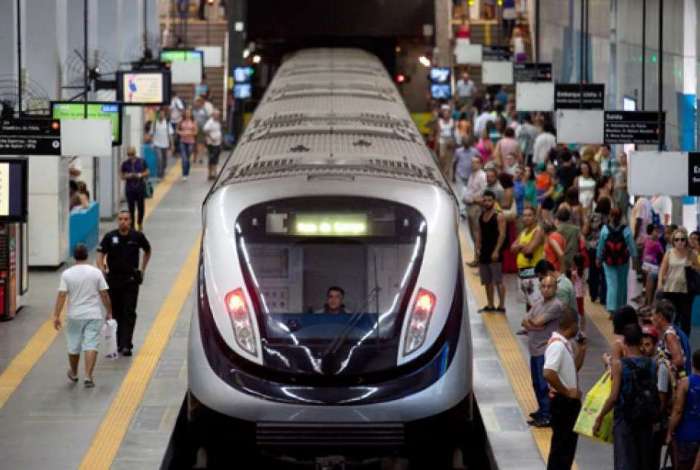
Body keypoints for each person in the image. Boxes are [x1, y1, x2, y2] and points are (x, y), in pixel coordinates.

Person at [594, 323, 657, 470]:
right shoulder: (652, 364)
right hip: (646, 419)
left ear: (625, 342)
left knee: (624, 461)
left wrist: (600, 417)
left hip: (625, 420)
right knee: (642, 461)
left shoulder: (620, 365)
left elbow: (614, 396)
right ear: (640, 341)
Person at [52, 244, 112, 387]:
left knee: (73, 345)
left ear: (74, 256)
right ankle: (88, 376)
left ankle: (73, 373)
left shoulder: (67, 274)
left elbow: (62, 295)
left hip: (74, 315)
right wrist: (109, 311)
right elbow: (104, 293)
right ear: (87, 256)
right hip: (93, 314)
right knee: (91, 344)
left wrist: (56, 315)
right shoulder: (96, 273)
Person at [97, 211, 152, 356]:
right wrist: (102, 270)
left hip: (131, 281)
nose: (123, 222)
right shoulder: (110, 237)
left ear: (130, 221)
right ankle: (118, 342)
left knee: (129, 312)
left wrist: (142, 269)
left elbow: (148, 250)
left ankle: (126, 344)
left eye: (126, 219)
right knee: (115, 312)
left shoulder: (137, 237)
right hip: (113, 280)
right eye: (120, 219)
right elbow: (100, 254)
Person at [544, 306, 586, 470]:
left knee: (567, 449)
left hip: (568, 402)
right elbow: (548, 372)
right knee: (561, 449)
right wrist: (567, 391)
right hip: (563, 403)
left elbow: (572, 368)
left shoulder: (565, 344)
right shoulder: (558, 346)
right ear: (573, 325)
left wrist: (582, 351)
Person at [522, 274, 563, 427]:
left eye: (549, 286)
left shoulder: (556, 305)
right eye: (543, 286)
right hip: (534, 350)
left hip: (545, 350)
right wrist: (535, 325)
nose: (546, 289)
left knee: (543, 384)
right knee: (536, 383)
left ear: (555, 288)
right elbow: (524, 321)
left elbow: (534, 321)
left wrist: (533, 324)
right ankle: (542, 410)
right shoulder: (539, 303)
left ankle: (547, 414)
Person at [658, 227, 700, 336]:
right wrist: (660, 284)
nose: (679, 242)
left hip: (686, 291)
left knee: (685, 319)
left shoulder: (691, 254)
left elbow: (698, 269)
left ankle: (684, 341)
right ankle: (669, 339)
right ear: (673, 241)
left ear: (686, 240)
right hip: (670, 289)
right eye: (677, 239)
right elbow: (662, 269)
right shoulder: (669, 253)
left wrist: (694, 267)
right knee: (670, 317)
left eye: (682, 239)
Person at [597, 208, 637, 315]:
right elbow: (632, 246)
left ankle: (611, 308)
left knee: (611, 284)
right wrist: (635, 259)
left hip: (608, 261)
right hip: (623, 261)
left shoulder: (605, 229)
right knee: (622, 284)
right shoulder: (626, 230)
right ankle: (621, 306)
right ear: (621, 217)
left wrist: (598, 258)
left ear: (610, 216)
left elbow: (600, 246)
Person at [668, 349, 700, 470]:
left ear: (692, 363)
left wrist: (669, 432)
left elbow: (678, 410)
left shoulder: (686, 383)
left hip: (687, 436)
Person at [475, 190, 507, 312]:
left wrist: (497, 250)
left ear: (494, 201)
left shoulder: (499, 216)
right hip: (484, 251)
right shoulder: (481, 216)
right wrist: (477, 249)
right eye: (485, 200)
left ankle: (502, 305)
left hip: (494, 252)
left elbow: (502, 235)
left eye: (490, 200)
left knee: (498, 280)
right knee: (487, 280)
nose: (487, 202)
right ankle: (490, 304)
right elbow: (479, 233)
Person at [512, 206, 545, 308]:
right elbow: (512, 249)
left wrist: (520, 246)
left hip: (534, 271)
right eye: (524, 215)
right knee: (528, 303)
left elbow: (529, 250)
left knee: (536, 303)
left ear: (535, 217)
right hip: (523, 272)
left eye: (529, 215)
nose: (526, 218)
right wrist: (523, 246)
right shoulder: (523, 232)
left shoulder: (538, 231)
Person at [583, 197, 610, 303]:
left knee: (593, 272)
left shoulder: (592, 216)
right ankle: (604, 297)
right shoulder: (609, 218)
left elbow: (585, 231)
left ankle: (593, 295)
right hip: (605, 248)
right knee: (604, 273)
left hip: (592, 247)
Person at [464, 156, 487, 265]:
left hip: (476, 207)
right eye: (472, 162)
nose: (473, 164)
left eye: (475, 162)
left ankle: (479, 259)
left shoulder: (482, 176)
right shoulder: (472, 175)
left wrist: (473, 199)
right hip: (469, 206)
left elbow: (484, 191)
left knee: (477, 234)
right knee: (473, 233)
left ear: (480, 164)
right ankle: (477, 258)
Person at [120, 146, 149, 232]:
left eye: (132, 154)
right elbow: (121, 175)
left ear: (135, 154)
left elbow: (147, 172)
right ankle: (132, 226)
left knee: (141, 207)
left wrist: (139, 175)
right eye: (129, 155)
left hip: (140, 187)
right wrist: (128, 176)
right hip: (130, 189)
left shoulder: (142, 162)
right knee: (131, 208)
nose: (130, 156)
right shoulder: (125, 164)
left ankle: (139, 222)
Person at [454, 136, 478, 217]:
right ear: (463, 143)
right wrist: (453, 176)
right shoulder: (458, 151)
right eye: (465, 142)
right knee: (461, 192)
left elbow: (480, 159)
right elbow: (455, 162)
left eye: (467, 142)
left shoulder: (474, 151)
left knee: (468, 192)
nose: (466, 144)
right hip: (460, 174)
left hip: (470, 176)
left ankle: (466, 208)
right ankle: (462, 211)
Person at [643, 224, 665, 306]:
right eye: (655, 231)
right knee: (648, 277)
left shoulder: (657, 243)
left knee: (650, 276)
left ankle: (648, 302)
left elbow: (662, 256)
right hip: (648, 265)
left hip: (653, 266)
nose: (657, 233)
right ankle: (646, 301)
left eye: (658, 232)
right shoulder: (649, 240)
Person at [555, 207, 582, 274]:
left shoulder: (556, 230)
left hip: (559, 261)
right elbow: (583, 242)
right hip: (573, 260)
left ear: (558, 218)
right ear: (569, 217)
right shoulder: (576, 229)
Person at [149, 106, 173, 179]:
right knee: (159, 159)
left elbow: (170, 134)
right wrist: (151, 143)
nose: (161, 115)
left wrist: (172, 144)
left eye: (162, 114)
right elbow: (151, 134)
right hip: (156, 144)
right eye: (160, 114)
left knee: (164, 161)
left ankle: (162, 171)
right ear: (158, 114)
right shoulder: (154, 123)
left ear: (164, 115)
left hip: (165, 145)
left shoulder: (167, 123)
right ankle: (159, 174)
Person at [436, 105, 456, 180]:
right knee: (442, 156)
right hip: (442, 140)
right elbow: (438, 132)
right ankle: (442, 171)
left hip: (449, 140)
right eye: (444, 113)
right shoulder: (440, 121)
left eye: (447, 113)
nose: (446, 114)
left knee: (449, 158)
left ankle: (446, 174)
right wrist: (437, 143)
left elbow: (453, 132)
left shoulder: (452, 121)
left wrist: (453, 142)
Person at [177, 107, 197, 181]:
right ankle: (184, 174)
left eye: (189, 113)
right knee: (184, 158)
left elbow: (196, 132)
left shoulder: (193, 122)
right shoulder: (181, 121)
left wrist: (190, 133)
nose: (187, 114)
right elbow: (177, 129)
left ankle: (187, 171)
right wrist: (181, 133)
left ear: (191, 114)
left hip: (191, 142)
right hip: (183, 141)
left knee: (187, 158)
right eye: (186, 113)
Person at [203, 109, 223, 180]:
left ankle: (214, 172)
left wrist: (221, 141)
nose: (217, 116)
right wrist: (211, 138)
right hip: (211, 143)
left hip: (217, 143)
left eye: (218, 115)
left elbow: (219, 131)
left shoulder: (218, 122)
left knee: (216, 158)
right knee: (212, 158)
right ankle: (210, 173)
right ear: (213, 115)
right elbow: (205, 130)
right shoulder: (210, 122)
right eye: (216, 115)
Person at [571, 254, 587, 332]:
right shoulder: (583, 271)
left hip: (576, 294)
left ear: (574, 262)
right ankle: (582, 328)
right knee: (581, 310)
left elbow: (572, 283)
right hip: (581, 294)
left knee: (576, 310)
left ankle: (579, 328)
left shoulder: (574, 273)